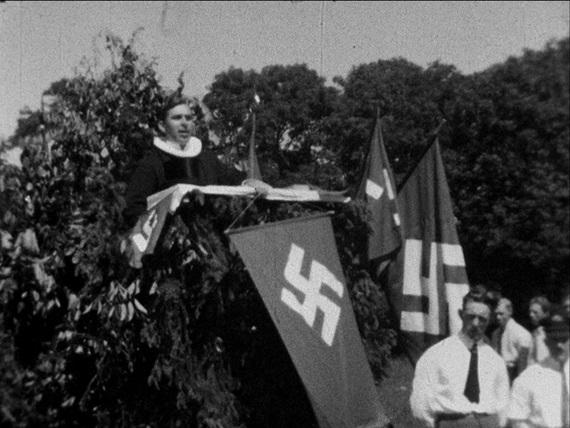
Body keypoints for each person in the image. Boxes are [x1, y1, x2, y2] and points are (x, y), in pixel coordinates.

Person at [123, 92, 269, 228]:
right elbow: (133, 210)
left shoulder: (207, 159)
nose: (184, 123)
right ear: (162, 126)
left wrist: (249, 183)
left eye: (188, 118)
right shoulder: (151, 164)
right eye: (177, 118)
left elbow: (231, 182)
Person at [410, 285, 510, 428]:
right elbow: (420, 403)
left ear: (489, 320)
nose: (476, 323)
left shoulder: (495, 360)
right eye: (471, 316)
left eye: (482, 319)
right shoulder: (436, 354)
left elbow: (503, 403)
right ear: (461, 314)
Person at [507, 308, 570, 428]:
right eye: (554, 339)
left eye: (564, 339)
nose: (559, 345)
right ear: (546, 342)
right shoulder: (529, 378)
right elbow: (517, 420)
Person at [491, 297, 532, 383]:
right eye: (496, 314)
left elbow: (523, 362)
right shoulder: (495, 334)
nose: (498, 317)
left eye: (501, 314)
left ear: (510, 312)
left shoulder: (521, 333)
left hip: (514, 374)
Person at [527, 295, 552, 365]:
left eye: (535, 312)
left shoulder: (548, 334)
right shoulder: (535, 332)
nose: (531, 315)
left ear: (545, 314)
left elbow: (542, 360)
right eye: (530, 312)